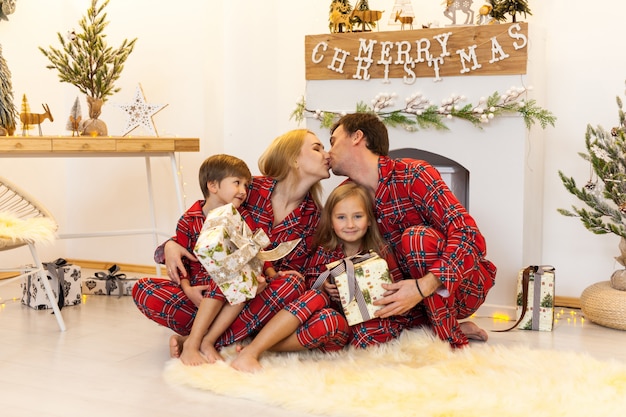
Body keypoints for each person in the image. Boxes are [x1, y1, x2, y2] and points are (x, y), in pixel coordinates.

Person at [132, 129, 331, 360]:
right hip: (209, 292)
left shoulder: (315, 218)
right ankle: (230, 335)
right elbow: (204, 226)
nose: (327, 155)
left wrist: (267, 279)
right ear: (293, 157)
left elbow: (305, 280)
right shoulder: (248, 189)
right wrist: (168, 247)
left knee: (293, 284)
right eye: (317, 148)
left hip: (259, 302)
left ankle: (200, 339)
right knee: (144, 289)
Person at [327, 112, 497, 348]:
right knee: (364, 338)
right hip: (405, 299)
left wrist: (422, 286)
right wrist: (332, 280)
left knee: (417, 239)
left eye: (333, 140)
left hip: (460, 288)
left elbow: (469, 236)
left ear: (357, 137)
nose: (329, 151)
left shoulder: (413, 174)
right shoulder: (348, 195)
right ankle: (434, 326)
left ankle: (448, 338)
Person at [231, 182, 404, 372]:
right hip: (324, 322)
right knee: (319, 302)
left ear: (369, 219)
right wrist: (325, 286)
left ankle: (256, 345)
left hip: (351, 332)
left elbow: (397, 292)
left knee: (340, 324)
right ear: (330, 221)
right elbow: (309, 287)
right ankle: (253, 351)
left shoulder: (381, 252)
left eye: (358, 216)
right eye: (341, 217)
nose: (350, 224)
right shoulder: (326, 251)